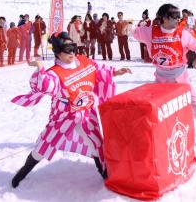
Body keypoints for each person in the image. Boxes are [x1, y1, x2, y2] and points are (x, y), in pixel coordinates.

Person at [11, 31, 132, 188]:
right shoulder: (55, 73)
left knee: (96, 142)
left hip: (85, 111)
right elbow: (46, 86)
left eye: (74, 47)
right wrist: (40, 67)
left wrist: (115, 72)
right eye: (68, 49)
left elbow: (99, 70)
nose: (73, 52)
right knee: (44, 146)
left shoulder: (83, 61)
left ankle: (104, 173)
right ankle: (23, 172)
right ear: (58, 52)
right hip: (63, 115)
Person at [133, 3, 196, 149]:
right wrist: (140, 25)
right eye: (174, 17)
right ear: (164, 18)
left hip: (180, 76)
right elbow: (133, 33)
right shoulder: (150, 32)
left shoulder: (182, 33)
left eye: (179, 17)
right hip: (161, 78)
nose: (178, 19)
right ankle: (153, 135)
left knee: (195, 104)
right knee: (155, 107)